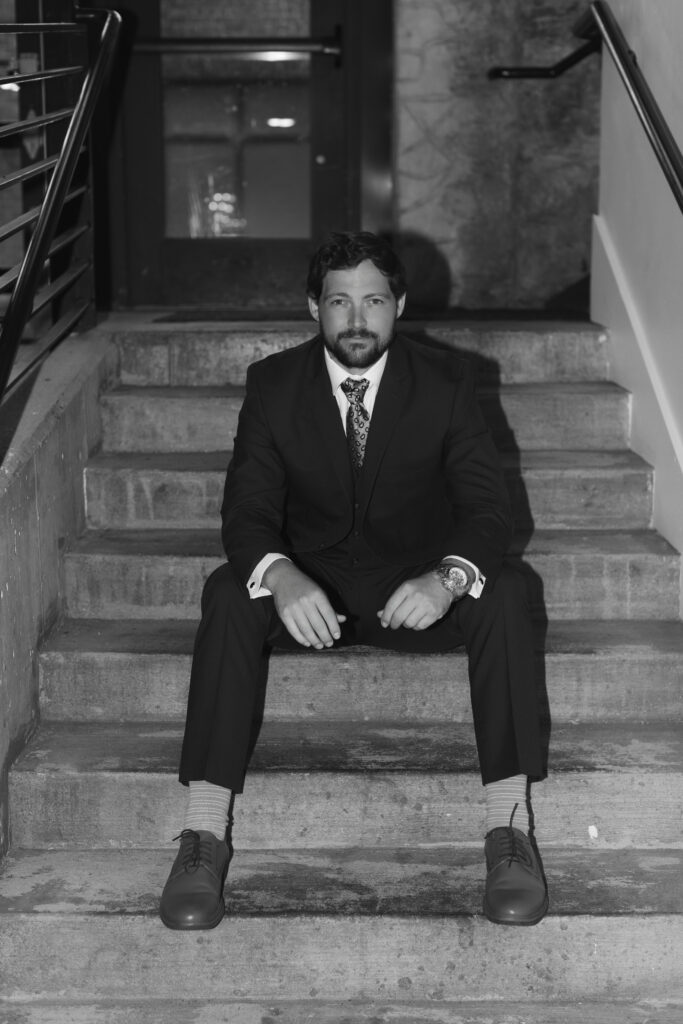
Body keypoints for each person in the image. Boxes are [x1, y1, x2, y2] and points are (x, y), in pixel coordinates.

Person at [159, 231, 548, 931]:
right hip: (315, 596)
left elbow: (487, 511)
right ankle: (202, 835)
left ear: (398, 305)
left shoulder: (447, 383)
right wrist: (280, 577)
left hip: (415, 593)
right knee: (228, 590)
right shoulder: (273, 385)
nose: (357, 319)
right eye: (339, 301)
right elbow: (245, 514)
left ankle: (509, 828)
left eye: (373, 300)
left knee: (509, 590)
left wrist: (447, 579)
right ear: (314, 307)